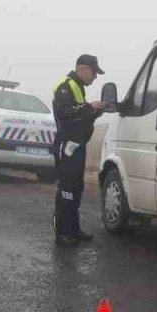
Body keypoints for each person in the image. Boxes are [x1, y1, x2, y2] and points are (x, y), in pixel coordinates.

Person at [51, 54, 107, 245]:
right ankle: (62, 232)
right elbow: (65, 113)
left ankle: (74, 229)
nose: (95, 77)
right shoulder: (65, 86)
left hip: (77, 147)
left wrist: (95, 111)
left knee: (76, 188)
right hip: (66, 146)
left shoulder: (78, 88)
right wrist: (88, 107)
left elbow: (80, 117)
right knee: (66, 190)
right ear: (83, 69)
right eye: (94, 73)